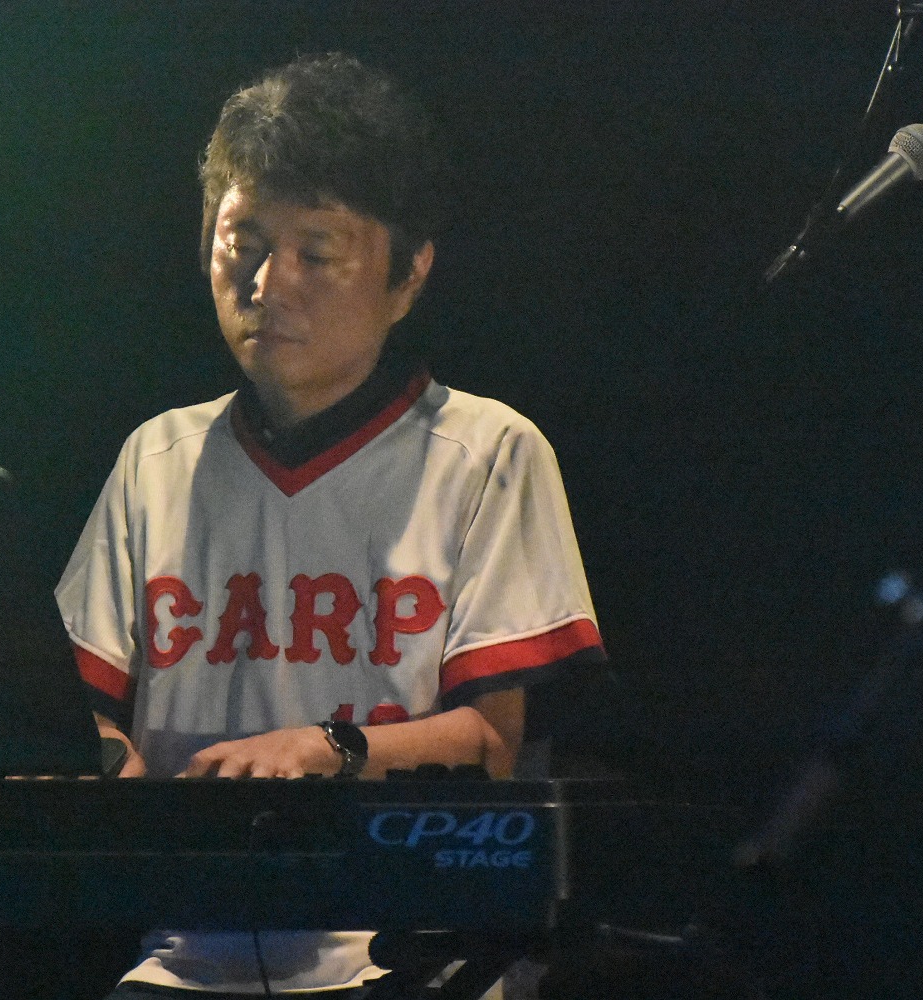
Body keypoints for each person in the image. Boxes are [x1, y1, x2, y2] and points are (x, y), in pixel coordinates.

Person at [55, 52, 604, 998]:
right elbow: (83, 709)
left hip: (409, 959)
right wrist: (113, 774)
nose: (270, 283)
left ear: (409, 274)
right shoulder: (156, 459)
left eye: (318, 251)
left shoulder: (487, 453)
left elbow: (494, 743)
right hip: (183, 962)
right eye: (244, 241)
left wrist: (327, 748)